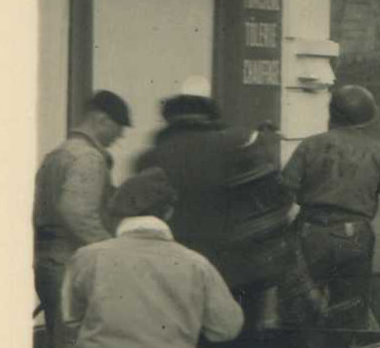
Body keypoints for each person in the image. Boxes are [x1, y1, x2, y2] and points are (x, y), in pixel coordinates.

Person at [33, 171, 244, 348]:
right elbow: (227, 329)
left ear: (117, 215)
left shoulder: (89, 256)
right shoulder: (197, 264)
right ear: (168, 213)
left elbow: (71, 319)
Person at [139, 89, 324, 329]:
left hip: (174, 270)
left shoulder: (149, 158)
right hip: (239, 270)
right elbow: (277, 199)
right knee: (239, 337)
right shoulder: (239, 144)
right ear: (212, 117)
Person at [280, 84, 380, 327]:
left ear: (332, 113)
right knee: (350, 312)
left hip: (311, 233)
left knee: (301, 310)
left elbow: (282, 193)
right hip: (355, 238)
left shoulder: (309, 146)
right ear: (368, 117)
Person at [34, 90, 131, 332]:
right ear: (101, 120)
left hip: (47, 260)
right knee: (78, 346)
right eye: (115, 131)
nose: (115, 139)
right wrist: (111, 248)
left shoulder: (56, 155)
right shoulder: (88, 157)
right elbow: (77, 213)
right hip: (71, 262)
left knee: (61, 340)